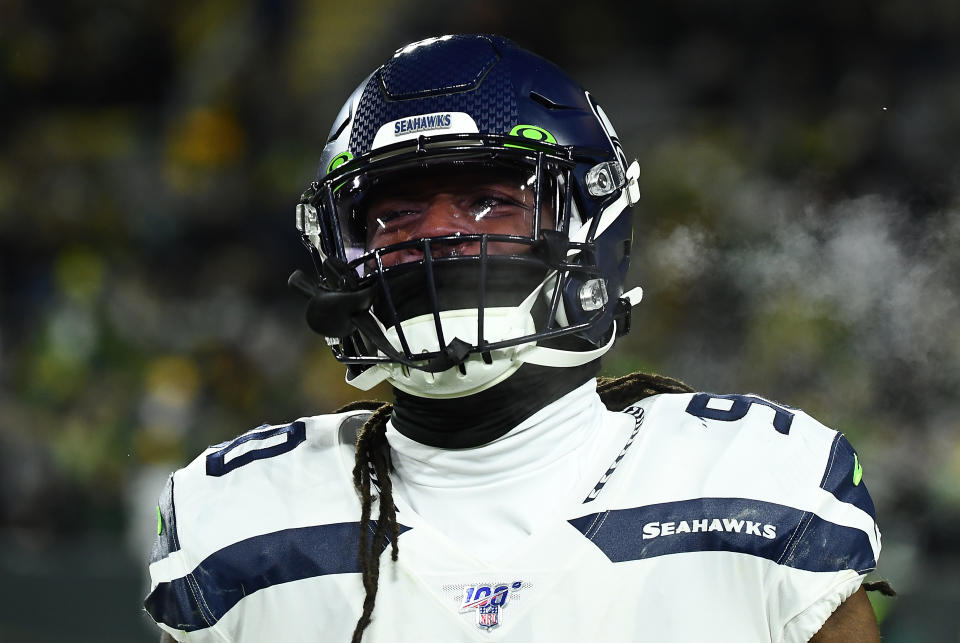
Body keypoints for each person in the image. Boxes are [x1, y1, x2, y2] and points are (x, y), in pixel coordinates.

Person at [144, 34, 888, 642]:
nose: (436, 233)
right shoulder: (244, 521)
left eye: (488, 200)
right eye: (391, 215)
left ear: (589, 219)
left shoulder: (752, 482)